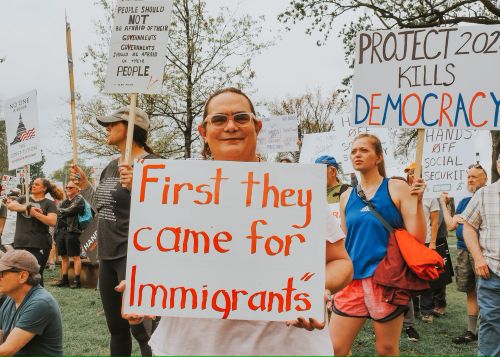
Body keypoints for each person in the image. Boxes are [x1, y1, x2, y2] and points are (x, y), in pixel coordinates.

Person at [123, 87, 353, 356]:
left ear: (257, 126)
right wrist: (144, 287)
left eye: (241, 118)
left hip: (284, 346)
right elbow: (159, 260)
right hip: (192, 346)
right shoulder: (171, 191)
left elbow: (341, 263)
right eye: (219, 119)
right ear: (203, 131)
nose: (230, 126)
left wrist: (313, 290)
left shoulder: (296, 191)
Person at [70, 107, 157, 356]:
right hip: (107, 254)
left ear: (131, 129)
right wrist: (86, 186)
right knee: (116, 329)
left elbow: (164, 211)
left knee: (142, 330)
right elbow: (103, 206)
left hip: (135, 255)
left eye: (112, 123)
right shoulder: (111, 166)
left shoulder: (153, 164)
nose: (106, 128)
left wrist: (139, 186)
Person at [330, 134, 427, 356]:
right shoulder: (346, 197)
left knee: (386, 349)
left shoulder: (396, 186)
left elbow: (417, 238)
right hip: (352, 281)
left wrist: (418, 202)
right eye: (354, 151)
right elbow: (345, 242)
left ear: (378, 156)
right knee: (334, 348)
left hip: (386, 281)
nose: (357, 154)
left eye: (363, 150)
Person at [440, 163, 487, 344]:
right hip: (463, 251)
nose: (470, 179)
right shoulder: (465, 201)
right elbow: (452, 224)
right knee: (470, 291)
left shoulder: (489, 197)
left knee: (487, 291)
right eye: (468, 177)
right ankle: (471, 331)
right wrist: (444, 204)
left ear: (485, 179)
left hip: (482, 252)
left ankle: (488, 331)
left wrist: (464, 220)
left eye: (474, 176)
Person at [461, 153, 500, 357]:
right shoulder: (484, 194)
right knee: (491, 324)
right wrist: (478, 258)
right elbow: (468, 226)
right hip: (492, 272)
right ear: (498, 165)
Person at [0, 250, 63, 355]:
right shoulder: (11, 299)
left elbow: (7, 349)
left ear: (23, 276)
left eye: (1, 273)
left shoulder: (41, 303)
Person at [7, 178, 62, 286]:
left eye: (37, 184)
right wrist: (27, 208)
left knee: (35, 276)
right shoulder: (23, 198)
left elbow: (52, 221)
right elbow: (11, 206)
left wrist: (35, 214)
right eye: (33, 183)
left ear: (44, 188)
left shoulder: (49, 203)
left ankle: (38, 300)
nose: (33, 185)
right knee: (21, 275)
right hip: (21, 243)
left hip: (39, 244)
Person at [53, 181, 86, 289]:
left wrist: (58, 211)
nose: (68, 189)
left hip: (73, 231)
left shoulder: (79, 199)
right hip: (61, 231)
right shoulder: (64, 201)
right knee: (64, 257)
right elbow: (59, 215)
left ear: (77, 189)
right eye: (67, 187)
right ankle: (64, 279)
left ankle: (77, 281)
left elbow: (70, 210)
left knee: (76, 256)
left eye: (71, 187)